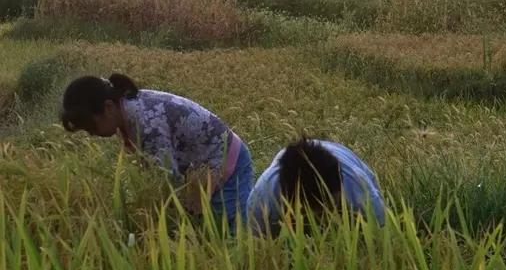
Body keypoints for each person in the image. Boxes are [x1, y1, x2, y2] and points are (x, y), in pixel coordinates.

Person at [61, 74, 252, 230]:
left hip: (226, 164)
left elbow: (169, 185)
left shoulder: (146, 124)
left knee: (229, 236)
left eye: (90, 126)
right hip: (201, 172)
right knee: (204, 230)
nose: (92, 134)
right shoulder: (126, 112)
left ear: (108, 107)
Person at [246, 136, 385, 234]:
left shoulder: (357, 186)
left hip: (345, 160)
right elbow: (258, 248)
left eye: (331, 207)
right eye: (317, 214)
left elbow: (383, 235)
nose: (325, 221)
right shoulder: (262, 199)